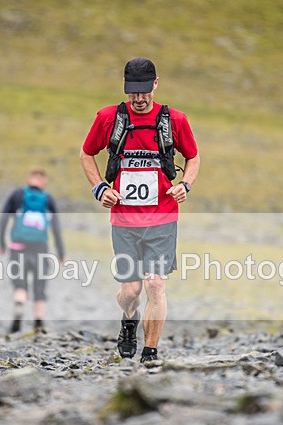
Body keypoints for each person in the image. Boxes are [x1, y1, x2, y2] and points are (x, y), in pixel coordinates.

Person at [80, 57, 200, 362]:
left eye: (144, 90)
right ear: (125, 88)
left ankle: (150, 352)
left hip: (162, 217)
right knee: (131, 291)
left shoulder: (175, 120)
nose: (139, 97)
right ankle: (129, 318)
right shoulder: (109, 118)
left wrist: (184, 185)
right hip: (123, 220)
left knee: (155, 284)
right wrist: (100, 188)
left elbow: (194, 158)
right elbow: (86, 153)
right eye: (133, 91)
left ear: (155, 84)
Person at [0, 168, 65, 334]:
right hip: (41, 248)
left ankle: (20, 304)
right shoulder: (48, 199)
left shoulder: (17, 195)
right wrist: (61, 252)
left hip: (18, 247)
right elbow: (56, 228)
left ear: (29, 179)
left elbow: (3, 218)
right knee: (39, 284)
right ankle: (38, 321)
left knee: (20, 283)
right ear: (44, 182)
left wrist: (1, 242)